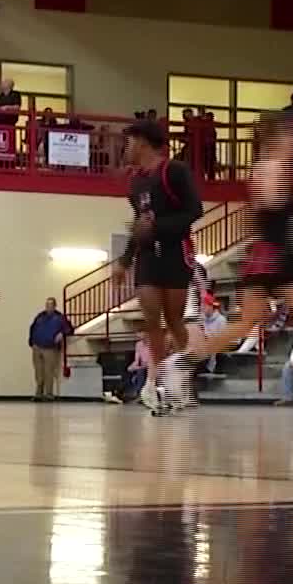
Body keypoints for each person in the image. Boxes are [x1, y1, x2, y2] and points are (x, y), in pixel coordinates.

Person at [166, 113, 293, 408]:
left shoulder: (271, 168)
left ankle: (183, 363)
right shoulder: (270, 166)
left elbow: (256, 217)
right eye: (292, 136)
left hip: (272, 252)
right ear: (278, 138)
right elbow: (272, 203)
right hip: (276, 256)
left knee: (247, 326)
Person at [114, 119, 200, 414]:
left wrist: (159, 226)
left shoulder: (175, 171)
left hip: (176, 249)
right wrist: (124, 261)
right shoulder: (135, 183)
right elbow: (139, 227)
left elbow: (194, 211)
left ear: (141, 141)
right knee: (151, 319)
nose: (124, 148)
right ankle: (157, 380)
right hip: (148, 255)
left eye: (128, 141)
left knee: (174, 319)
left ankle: (184, 380)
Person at [28, 297, 73, 401]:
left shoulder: (60, 317)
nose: (48, 307)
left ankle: (49, 394)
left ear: (54, 306)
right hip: (37, 346)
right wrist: (31, 341)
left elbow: (69, 329)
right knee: (38, 371)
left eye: (50, 305)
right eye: (46, 305)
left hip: (50, 348)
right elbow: (33, 327)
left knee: (49, 371)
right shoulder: (40, 316)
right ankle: (38, 394)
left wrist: (62, 333)